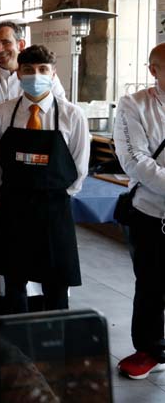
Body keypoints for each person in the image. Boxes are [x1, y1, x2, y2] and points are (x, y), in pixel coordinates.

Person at [0, 21, 67, 314]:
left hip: (42, 179)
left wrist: (5, 110)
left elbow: (58, 112)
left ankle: (36, 305)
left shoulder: (45, 74)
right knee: (3, 246)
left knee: (41, 245)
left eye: (6, 42)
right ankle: (4, 304)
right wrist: (18, 110)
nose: (0, 49)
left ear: (20, 44)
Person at [0, 45, 89, 316]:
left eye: (43, 70)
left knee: (56, 284)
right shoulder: (4, 112)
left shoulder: (71, 115)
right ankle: (18, 337)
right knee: (14, 282)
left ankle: (55, 336)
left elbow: (79, 169)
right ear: (19, 74)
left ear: (53, 73)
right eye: (29, 70)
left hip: (54, 208)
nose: (36, 76)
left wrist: (53, 196)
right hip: (14, 207)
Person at [114, 43, 165, 379]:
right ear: (153, 71)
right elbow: (135, 160)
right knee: (151, 285)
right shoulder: (134, 105)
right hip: (151, 213)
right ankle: (150, 349)